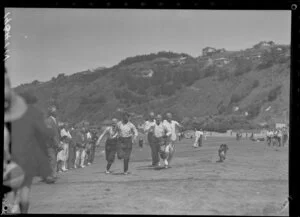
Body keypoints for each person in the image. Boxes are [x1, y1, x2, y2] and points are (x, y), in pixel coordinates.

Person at [4, 72, 53, 213]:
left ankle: (10, 208)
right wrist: (50, 131)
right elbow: (44, 132)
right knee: (25, 188)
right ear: (32, 101)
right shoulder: (34, 113)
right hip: (26, 157)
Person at [44, 106, 61, 182]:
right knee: (52, 159)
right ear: (52, 112)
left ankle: (53, 175)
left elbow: (57, 133)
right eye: (55, 111)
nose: (56, 112)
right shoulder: (49, 121)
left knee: (53, 160)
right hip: (50, 143)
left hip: (54, 144)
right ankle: (50, 176)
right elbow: (50, 134)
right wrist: (57, 143)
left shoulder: (55, 120)